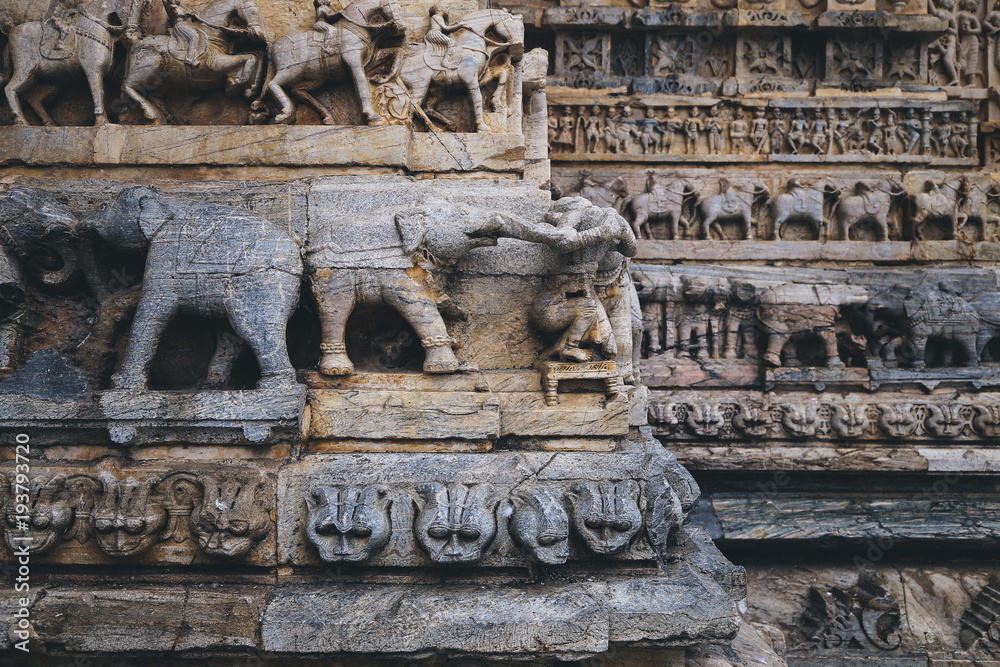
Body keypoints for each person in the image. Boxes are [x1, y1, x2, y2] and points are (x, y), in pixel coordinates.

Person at [163, 0, 203, 67]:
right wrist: (189, 13)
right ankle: (189, 59)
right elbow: (178, 14)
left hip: (185, 24)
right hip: (180, 25)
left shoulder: (181, 7)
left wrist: (193, 14)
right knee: (194, 37)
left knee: (195, 36)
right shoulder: (173, 7)